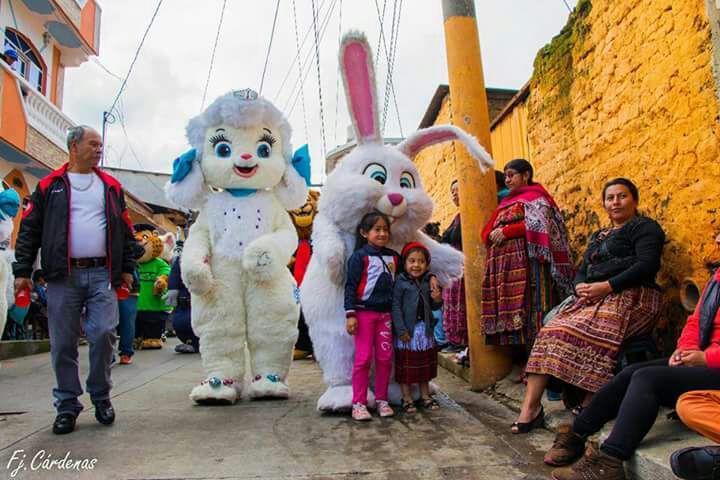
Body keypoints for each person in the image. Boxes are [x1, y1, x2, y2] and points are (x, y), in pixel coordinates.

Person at [543, 231, 720, 480]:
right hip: (703, 360)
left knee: (649, 379)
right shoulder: (718, 276)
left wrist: (706, 359)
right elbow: (696, 320)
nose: (718, 242)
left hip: (713, 365)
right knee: (630, 373)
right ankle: (577, 433)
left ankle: (610, 461)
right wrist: (685, 349)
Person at [514, 178, 665, 434]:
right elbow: (583, 269)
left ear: (635, 200)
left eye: (622, 196)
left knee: (594, 333)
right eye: (610, 198)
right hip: (594, 297)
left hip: (633, 297)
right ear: (604, 204)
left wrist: (607, 286)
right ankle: (531, 408)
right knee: (550, 331)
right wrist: (580, 286)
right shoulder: (599, 235)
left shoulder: (645, 228)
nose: (615, 202)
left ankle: (591, 401)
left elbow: (647, 265)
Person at [13, 125, 136, 435]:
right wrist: (22, 273)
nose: (99, 149)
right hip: (61, 276)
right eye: (93, 144)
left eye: (100, 145)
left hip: (101, 274)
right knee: (63, 343)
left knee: (104, 333)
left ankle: (101, 395)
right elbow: (28, 231)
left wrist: (126, 269)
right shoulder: (49, 186)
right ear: (73, 146)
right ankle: (67, 404)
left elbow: (125, 231)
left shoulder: (111, 187)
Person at [480, 159, 574, 349]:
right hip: (504, 269)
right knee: (510, 310)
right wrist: (490, 235)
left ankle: (537, 356)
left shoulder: (537, 198)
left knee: (532, 306)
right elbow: (486, 231)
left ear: (526, 176)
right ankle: (518, 358)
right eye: (505, 176)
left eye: (511, 175)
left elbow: (543, 225)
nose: (507, 180)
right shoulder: (505, 202)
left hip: (530, 264)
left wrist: (507, 232)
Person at [345, 211, 399, 421]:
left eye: (385, 229)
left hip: (385, 315)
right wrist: (351, 314)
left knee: (385, 358)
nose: (382, 233)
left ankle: (382, 400)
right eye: (377, 229)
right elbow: (350, 286)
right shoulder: (359, 257)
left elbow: (403, 281)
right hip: (363, 313)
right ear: (364, 233)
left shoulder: (394, 257)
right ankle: (358, 403)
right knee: (363, 358)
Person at [392, 242, 443, 413]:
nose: (416, 265)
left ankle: (425, 396)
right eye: (412, 261)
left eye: (421, 261)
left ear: (427, 264)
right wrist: (400, 330)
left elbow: (434, 308)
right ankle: (406, 398)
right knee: (406, 368)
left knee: (424, 367)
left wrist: (436, 299)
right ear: (404, 263)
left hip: (424, 333)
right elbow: (396, 307)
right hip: (407, 333)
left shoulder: (428, 281)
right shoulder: (400, 282)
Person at [440, 180, 467, 353]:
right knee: (451, 302)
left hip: (464, 269)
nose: (455, 194)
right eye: (452, 192)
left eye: (458, 190)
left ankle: (462, 340)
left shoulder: (470, 215)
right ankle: (454, 339)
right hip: (454, 271)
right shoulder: (457, 217)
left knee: (462, 302)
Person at [167, 243, 198, 354]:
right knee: (180, 322)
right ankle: (188, 341)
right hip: (184, 299)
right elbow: (174, 275)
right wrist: (172, 290)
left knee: (197, 322)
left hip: (200, 298)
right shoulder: (181, 259)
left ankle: (197, 343)